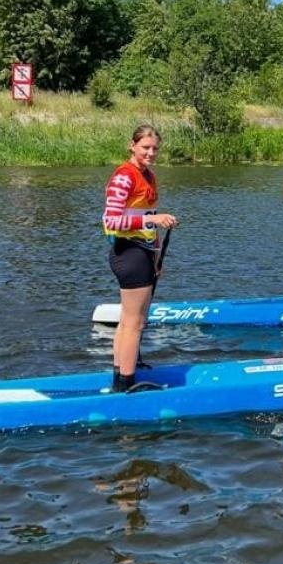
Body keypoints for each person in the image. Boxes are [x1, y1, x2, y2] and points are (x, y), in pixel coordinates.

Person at [102, 124, 177, 392]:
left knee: (128, 320)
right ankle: (127, 384)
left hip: (144, 253)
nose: (151, 152)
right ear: (132, 145)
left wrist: (157, 258)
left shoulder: (149, 176)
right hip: (128, 253)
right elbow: (111, 219)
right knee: (135, 323)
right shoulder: (124, 176)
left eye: (155, 148)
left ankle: (120, 376)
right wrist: (153, 218)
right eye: (145, 147)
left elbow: (148, 222)